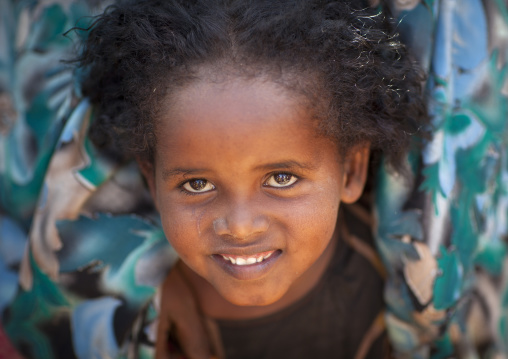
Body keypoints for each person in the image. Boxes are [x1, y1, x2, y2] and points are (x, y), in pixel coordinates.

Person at [73, 0, 428, 358]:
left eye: (281, 178)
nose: (240, 227)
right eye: (198, 184)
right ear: (151, 182)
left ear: (351, 170)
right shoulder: (128, 311)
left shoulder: (403, 286)